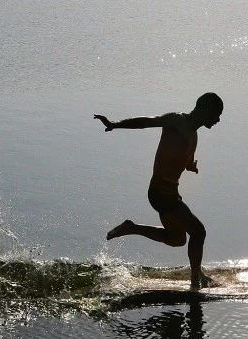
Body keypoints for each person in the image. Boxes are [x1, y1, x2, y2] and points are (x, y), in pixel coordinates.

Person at [95, 92, 224, 291]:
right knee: (198, 232)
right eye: (217, 114)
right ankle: (195, 281)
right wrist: (115, 124)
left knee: (178, 239)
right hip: (160, 192)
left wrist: (191, 166)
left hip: (170, 192)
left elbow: (185, 160)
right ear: (205, 110)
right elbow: (146, 122)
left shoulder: (194, 136)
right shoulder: (177, 120)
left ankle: (132, 228)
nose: (218, 120)